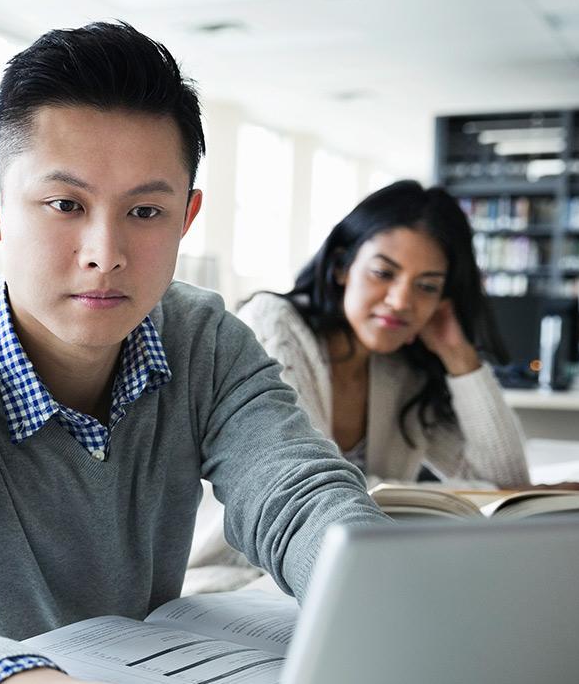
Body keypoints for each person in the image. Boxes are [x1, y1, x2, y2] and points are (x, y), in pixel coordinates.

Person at [0, 21, 389, 684]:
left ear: (186, 218)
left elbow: (298, 493)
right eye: (65, 204)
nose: (104, 253)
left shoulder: (202, 339)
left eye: (145, 213)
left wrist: (382, 597)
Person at [187, 181, 531, 591]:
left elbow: (507, 481)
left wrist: (460, 357)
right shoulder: (273, 325)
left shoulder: (404, 371)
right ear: (341, 268)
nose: (402, 300)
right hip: (238, 574)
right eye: (384, 273)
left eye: (426, 286)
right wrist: (460, 495)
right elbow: (312, 494)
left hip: (351, 573)